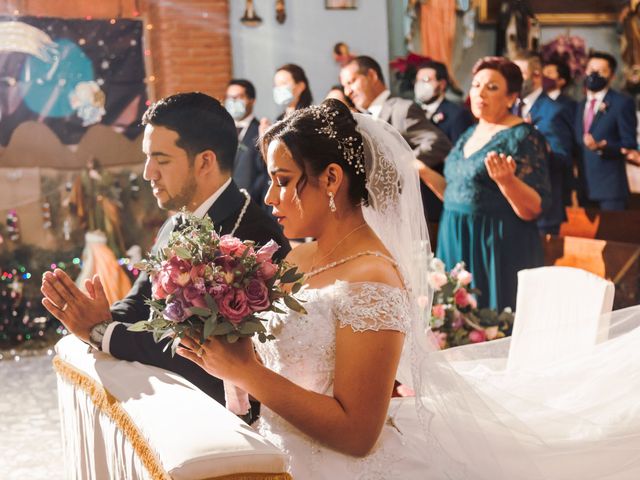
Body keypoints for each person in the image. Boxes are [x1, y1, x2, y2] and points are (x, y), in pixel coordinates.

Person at [175, 99, 640, 480]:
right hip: (274, 447)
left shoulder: (372, 281)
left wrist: (251, 375)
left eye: (283, 181)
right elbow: (265, 365)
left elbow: (358, 434)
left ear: (332, 179)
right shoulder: (295, 259)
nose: (269, 197)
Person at [41, 92, 290, 412]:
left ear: (205, 161)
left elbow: (200, 352)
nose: (148, 173)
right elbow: (141, 300)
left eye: (161, 159)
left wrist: (103, 333)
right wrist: (100, 316)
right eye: (147, 158)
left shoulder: (254, 240)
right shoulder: (176, 222)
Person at [417, 56, 551, 310]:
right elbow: (456, 192)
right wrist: (420, 170)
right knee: (456, 323)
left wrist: (507, 181)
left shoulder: (522, 136)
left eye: (492, 87)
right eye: (476, 85)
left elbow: (533, 209)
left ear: (511, 97)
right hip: (455, 237)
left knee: (491, 322)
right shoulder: (470, 133)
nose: (480, 93)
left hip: (494, 245)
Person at [340, 55, 451, 224]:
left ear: (372, 75)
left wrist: (400, 164)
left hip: (408, 216)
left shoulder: (401, 109)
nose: (348, 91)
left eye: (351, 82)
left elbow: (438, 143)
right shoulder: (359, 119)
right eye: (344, 86)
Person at [513, 52, 573, 235]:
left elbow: (562, 159)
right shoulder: (511, 107)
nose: (512, 80)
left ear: (536, 75)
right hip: (512, 206)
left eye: (518, 74)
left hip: (542, 208)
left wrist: (535, 143)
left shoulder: (553, 111)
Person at [575, 51, 637, 211]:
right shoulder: (579, 105)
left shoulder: (621, 103)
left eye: (601, 71)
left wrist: (603, 146)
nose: (594, 74)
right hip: (584, 186)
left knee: (611, 234)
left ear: (612, 76)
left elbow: (629, 143)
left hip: (610, 189)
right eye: (591, 70)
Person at [224, 79, 271, 212]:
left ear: (252, 100)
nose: (233, 102)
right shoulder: (221, 131)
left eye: (238, 97)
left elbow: (264, 171)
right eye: (229, 98)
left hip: (253, 206)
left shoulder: (260, 131)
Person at [543, 58, 579, 206]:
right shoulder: (537, 103)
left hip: (561, 164)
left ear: (561, 80)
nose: (544, 76)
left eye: (549, 73)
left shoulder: (569, 104)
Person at [414, 59, 475, 144]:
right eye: (418, 81)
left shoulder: (457, 114)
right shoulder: (413, 111)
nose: (420, 85)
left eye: (426, 80)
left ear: (442, 84)